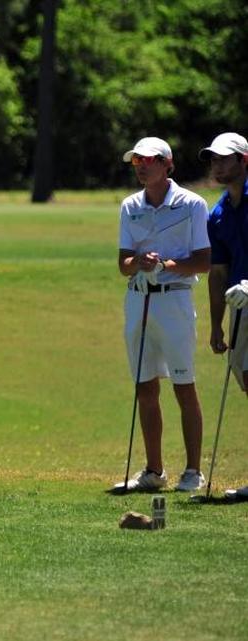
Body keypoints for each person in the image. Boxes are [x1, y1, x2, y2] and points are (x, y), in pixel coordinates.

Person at [114, 136, 211, 493]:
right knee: (145, 387)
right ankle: (154, 471)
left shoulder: (192, 204)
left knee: (184, 386)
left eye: (149, 160)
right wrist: (138, 262)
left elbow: (203, 261)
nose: (141, 166)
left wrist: (166, 265)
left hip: (175, 301)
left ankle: (193, 471)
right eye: (136, 161)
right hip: (138, 299)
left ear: (167, 164)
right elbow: (123, 265)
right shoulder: (130, 205)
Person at [201, 132, 248, 500]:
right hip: (239, 306)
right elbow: (218, 274)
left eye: (224, 158)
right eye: (213, 159)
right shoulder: (217, 214)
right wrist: (217, 325)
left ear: (243, 161)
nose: (217, 165)